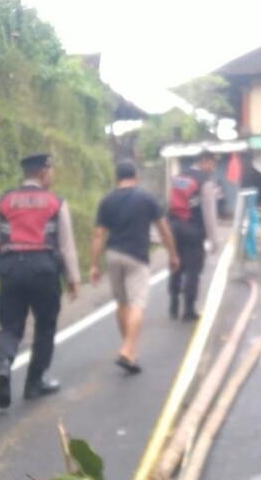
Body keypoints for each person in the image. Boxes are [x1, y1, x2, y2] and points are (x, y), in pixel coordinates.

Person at [0, 153, 81, 408]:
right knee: (45, 326)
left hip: (11, 270)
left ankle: (3, 364)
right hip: (44, 270)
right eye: (51, 170)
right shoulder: (56, 203)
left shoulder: (4, 202)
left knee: (10, 325)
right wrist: (73, 278)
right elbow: (66, 245)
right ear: (44, 172)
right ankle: (34, 383)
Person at [90, 160, 180, 374]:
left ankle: (130, 352)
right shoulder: (146, 198)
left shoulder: (107, 201)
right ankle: (128, 349)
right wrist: (173, 254)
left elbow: (99, 234)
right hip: (137, 257)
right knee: (137, 304)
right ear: (136, 177)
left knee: (122, 304)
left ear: (117, 178)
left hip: (113, 255)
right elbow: (164, 228)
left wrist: (94, 265)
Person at [168, 148, 220, 321]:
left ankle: (174, 302)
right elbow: (209, 214)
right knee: (193, 271)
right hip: (194, 231)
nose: (213, 168)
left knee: (176, 266)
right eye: (212, 163)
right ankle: (189, 310)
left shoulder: (179, 177)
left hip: (174, 228)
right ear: (204, 161)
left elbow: (170, 203)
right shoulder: (205, 182)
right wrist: (214, 240)